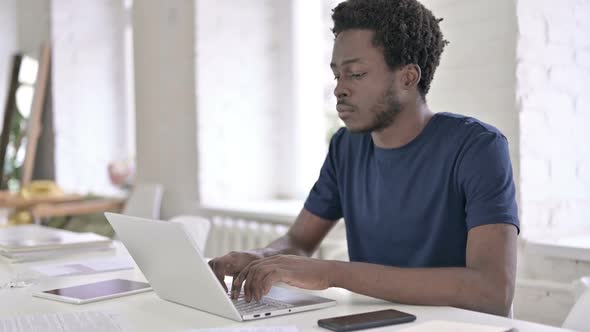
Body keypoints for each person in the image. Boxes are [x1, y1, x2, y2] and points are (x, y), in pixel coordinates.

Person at [208, 0, 519, 317]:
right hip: (375, 323)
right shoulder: (346, 146)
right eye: (337, 75)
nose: (339, 89)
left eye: (355, 74)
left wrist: (331, 273)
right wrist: (262, 257)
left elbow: (492, 292)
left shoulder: (477, 147)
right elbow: (299, 241)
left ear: (408, 77)